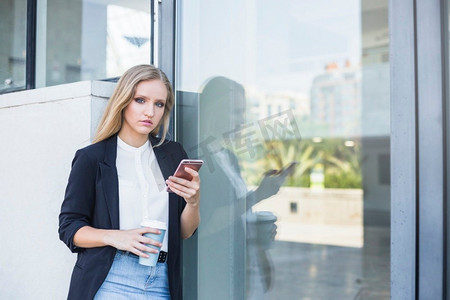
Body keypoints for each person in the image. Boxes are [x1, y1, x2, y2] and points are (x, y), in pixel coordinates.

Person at [58, 64, 200, 300]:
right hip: (111, 279)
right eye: (140, 100)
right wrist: (115, 236)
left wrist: (193, 202)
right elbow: (69, 228)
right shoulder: (92, 158)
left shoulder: (173, 154)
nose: (150, 112)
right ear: (123, 101)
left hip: (163, 281)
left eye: (159, 104)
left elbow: (184, 232)